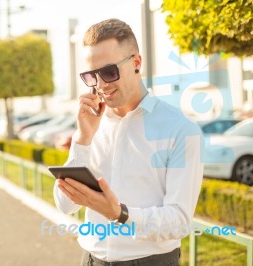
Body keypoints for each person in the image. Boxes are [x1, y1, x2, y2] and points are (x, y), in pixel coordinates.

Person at [53, 18, 203, 266]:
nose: (101, 85)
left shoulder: (181, 130)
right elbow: (65, 204)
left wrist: (119, 214)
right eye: (91, 76)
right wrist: (82, 139)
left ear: (136, 63)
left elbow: (179, 221)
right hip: (91, 260)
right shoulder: (91, 124)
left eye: (109, 72)